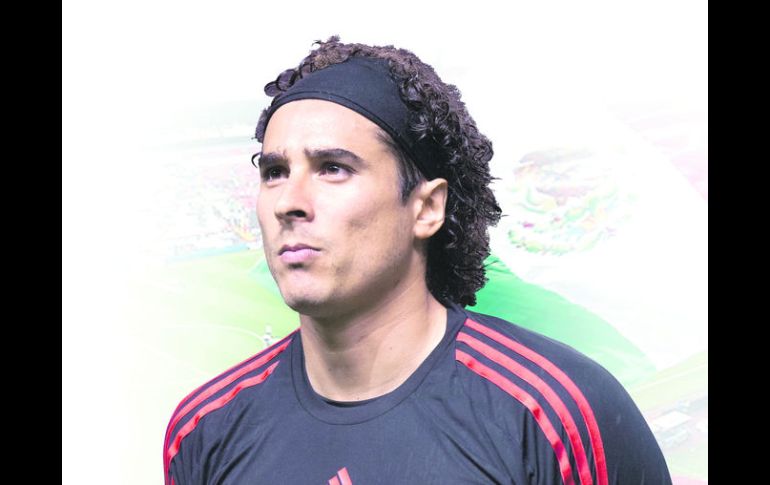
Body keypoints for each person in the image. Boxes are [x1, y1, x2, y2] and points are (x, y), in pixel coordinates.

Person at [163, 35, 672, 485]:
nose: (288, 202)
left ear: (426, 208)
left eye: (333, 168)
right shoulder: (204, 431)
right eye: (275, 172)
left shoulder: (554, 412)